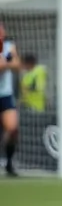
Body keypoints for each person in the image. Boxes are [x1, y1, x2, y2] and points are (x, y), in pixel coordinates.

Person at [0, 23, 19, 176]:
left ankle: (9, 163)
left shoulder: (8, 47)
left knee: (12, 129)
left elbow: (16, 64)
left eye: (2, 29)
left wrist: (5, 63)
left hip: (5, 95)